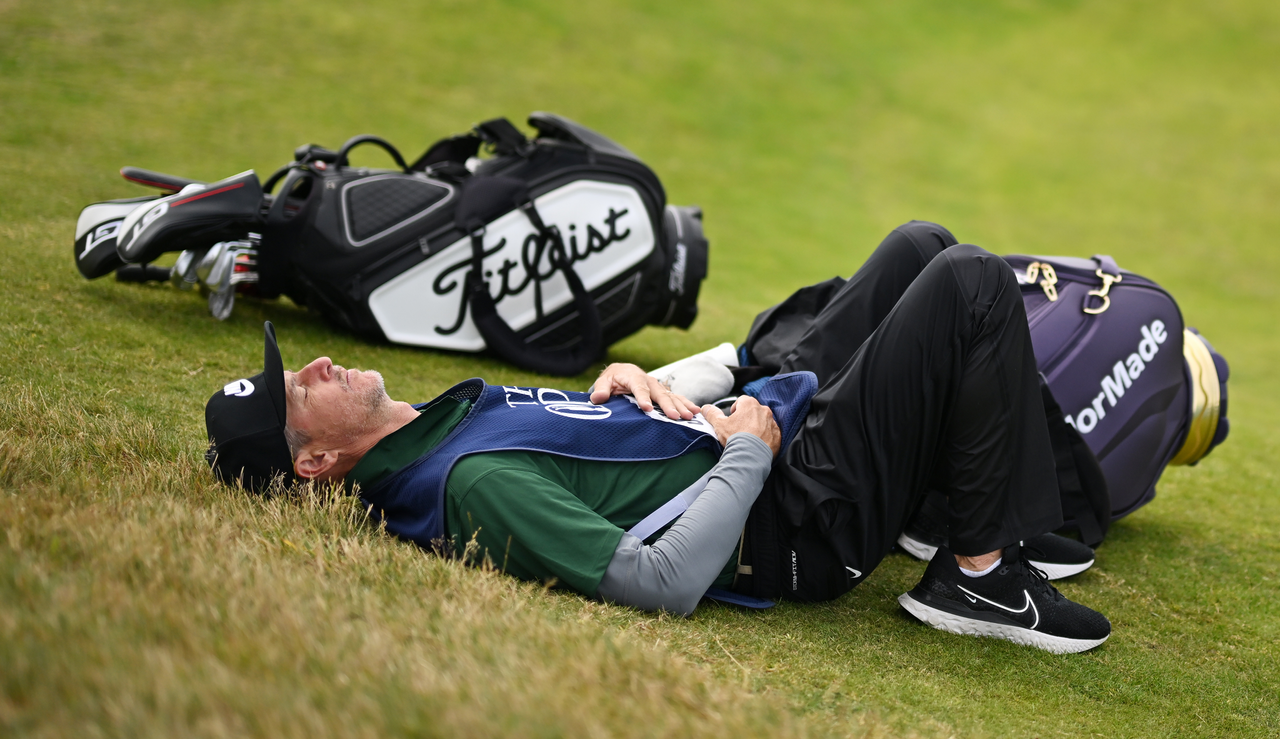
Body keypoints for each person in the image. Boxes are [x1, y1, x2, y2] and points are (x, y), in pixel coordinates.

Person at [204, 221, 1112, 654]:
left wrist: (644, 386)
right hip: (794, 522)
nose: (318, 364)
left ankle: (946, 510)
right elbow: (661, 582)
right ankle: (982, 580)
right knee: (971, 283)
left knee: (917, 248)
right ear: (316, 462)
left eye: (300, 364)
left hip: (753, 446)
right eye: (299, 391)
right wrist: (752, 446)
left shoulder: (440, 423)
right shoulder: (467, 484)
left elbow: (592, 449)